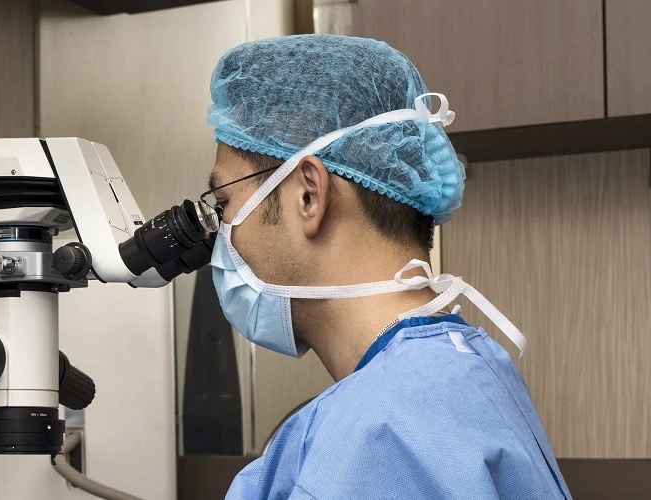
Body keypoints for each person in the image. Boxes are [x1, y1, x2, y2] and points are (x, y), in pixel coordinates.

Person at [201, 35, 570, 499]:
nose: (221, 232)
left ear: (308, 194)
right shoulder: (470, 365)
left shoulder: (374, 438)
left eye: (224, 202)